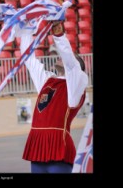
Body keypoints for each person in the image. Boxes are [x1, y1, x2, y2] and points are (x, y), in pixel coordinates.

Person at [20, 21, 88, 173]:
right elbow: (29, 60)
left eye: (70, 56)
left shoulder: (78, 83)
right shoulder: (47, 81)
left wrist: (59, 37)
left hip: (58, 144)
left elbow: (71, 65)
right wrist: (27, 31)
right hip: (37, 144)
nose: (62, 57)